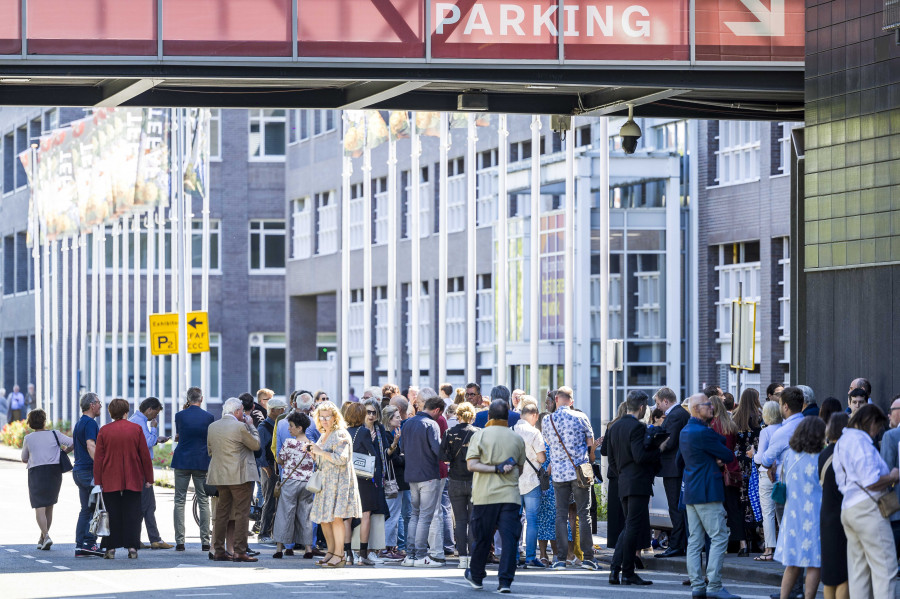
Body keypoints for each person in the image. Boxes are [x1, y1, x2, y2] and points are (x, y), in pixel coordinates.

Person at [833, 404, 900, 598]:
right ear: (870, 422)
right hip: (868, 510)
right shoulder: (860, 442)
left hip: (849, 508)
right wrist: (894, 476)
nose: (879, 431)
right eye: (878, 426)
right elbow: (871, 481)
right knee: (885, 568)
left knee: (859, 572)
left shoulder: (843, 441)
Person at [680, 393, 741, 599]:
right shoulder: (703, 432)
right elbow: (727, 453)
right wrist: (715, 458)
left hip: (691, 491)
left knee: (695, 541)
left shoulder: (686, 430)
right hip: (708, 490)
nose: (712, 408)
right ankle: (714, 586)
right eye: (708, 405)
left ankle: (698, 586)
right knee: (719, 537)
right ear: (697, 408)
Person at [463, 399, 526, 593]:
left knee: (482, 538)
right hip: (510, 496)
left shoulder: (480, 435)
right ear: (507, 417)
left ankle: (477, 576)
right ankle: (505, 582)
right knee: (509, 541)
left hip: (485, 496)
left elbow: (471, 465)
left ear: (488, 416)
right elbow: (521, 469)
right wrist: (503, 471)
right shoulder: (517, 439)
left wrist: (493, 469)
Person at [607, 390, 659, 584]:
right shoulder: (637, 427)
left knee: (629, 526)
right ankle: (623, 571)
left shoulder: (614, 426)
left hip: (623, 482)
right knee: (631, 528)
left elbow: (611, 459)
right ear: (642, 407)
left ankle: (619, 571)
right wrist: (658, 449)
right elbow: (640, 456)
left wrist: (622, 474)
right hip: (637, 483)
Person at [93, 398, 155, 560]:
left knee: (112, 513)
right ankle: (132, 547)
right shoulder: (136, 429)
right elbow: (144, 456)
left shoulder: (104, 431)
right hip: (133, 478)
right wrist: (149, 478)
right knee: (133, 513)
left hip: (110, 478)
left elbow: (99, 459)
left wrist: (98, 481)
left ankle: (110, 548)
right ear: (126, 412)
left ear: (111, 413)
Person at [543, 385, 595, 570]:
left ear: (556, 399)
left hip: (558, 473)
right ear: (571, 401)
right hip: (579, 473)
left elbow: (549, 443)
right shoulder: (581, 417)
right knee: (583, 514)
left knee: (561, 515)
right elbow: (590, 445)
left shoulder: (547, 420)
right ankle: (588, 558)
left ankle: (560, 559)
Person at [774, 416, 825, 599]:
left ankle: (783, 597)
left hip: (793, 514)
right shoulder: (821, 456)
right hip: (815, 513)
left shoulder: (790, 455)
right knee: (814, 562)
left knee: (792, 563)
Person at [307, 400, 361, 568]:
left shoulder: (340, 434)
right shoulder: (324, 434)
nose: (324, 420)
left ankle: (340, 554)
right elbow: (324, 457)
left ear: (335, 417)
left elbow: (342, 458)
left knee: (337, 519)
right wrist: (313, 453)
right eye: (321, 417)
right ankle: (330, 552)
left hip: (339, 481)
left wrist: (320, 451)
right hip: (326, 481)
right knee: (325, 519)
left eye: (327, 417)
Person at [207, 397, 262, 563]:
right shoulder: (240, 427)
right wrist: (251, 425)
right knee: (241, 513)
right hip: (239, 476)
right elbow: (256, 445)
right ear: (238, 411)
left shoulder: (212, 426)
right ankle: (239, 551)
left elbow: (210, 451)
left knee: (221, 514)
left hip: (219, 476)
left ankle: (218, 550)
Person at [399, 394, 444, 567]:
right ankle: (420, 556)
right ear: (437, 410)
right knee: (425, 516)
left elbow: (403, 449)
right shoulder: (431, 424)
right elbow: (437, 449)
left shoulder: (408, 423)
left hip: (411, 475)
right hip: (428, 475)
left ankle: (410, 555)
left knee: (414, 516)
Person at [346, 399, 391, 565]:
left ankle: (348, 554)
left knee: (348, 517)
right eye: (367, 412)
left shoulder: (345, 431)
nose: (370, 415)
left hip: (349, 476)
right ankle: (363, 554)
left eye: (373, 412)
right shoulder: (364, 432)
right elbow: (373, 455)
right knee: (365, 515)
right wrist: (371, 442)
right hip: (365, 478)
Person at [21, 409, 74, 551]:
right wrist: (63, 452)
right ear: (44, 421)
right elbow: (73, 442)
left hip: (36, 473)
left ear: (30, 423)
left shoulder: (29, 438)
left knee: (39, 506)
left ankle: (46, 535)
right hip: (54, 472)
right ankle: (42, 538)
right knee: (49, 506)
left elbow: (24, 458)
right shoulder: (54, 434)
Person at [172, 387, 214, 553]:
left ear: (188, 399)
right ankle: (205, 541)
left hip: (182, 460)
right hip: (201, 461)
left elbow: (179, 435)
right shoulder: (209, 417)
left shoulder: (179, 416)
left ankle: (180, 541)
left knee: (179, 500)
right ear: (201, 399)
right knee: (203, 500)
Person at [129, 397, 173, 550]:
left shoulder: (134, 419)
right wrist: (154, 428)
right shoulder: (140, 422)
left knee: (141, 506)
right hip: (141, 467)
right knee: (148, 505)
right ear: (148, 409)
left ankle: (135, 538)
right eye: (155, 413)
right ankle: (154, 539)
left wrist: (156, 439)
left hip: (136, 467)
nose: (155, 417)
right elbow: (146, 442)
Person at [759, 386, 806, 524]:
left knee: (786, 529)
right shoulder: (810, 425)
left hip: (787, 486)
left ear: (785, 406)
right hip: (808, 483)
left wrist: (770, 465)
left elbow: (766, 460)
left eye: (779, 404)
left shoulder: (782, 432)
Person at [272, 411, 316, 559]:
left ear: (299, 428)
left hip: (290, 482)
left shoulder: (289, 443)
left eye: (291, 426)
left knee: (285, 513)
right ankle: (308, 548)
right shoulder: (312, 445)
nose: (289, 429)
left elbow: (280, 459)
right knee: (305, 515)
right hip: (307, 483)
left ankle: (279, 548)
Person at [708, 393, 747, 556]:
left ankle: (722, 545)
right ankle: (743, 544)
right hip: (733, 468)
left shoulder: (713, 425)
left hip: (720, 470)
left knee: (719, 510)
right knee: (734, 508)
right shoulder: (730, 425)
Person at [653, 386, 690, 558]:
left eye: (659, 403)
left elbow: (669, 440)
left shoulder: (675, 415)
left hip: (673, 468)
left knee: (675, 508)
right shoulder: (680, 414)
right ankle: (679, 543)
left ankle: (677, 545)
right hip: (675, 467)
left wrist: (654, 448)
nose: (658, 407)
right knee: (677, 507)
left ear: (666, 401)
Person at [440, 401, 477, 568]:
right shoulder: (478, 433)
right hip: (474, 480)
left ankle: (462, 558)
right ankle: (473, 556)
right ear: (472, 415)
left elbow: (443, 456)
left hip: (455, 479)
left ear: (458, 415)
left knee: (460, 521)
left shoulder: (449, 432)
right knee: (474, 520)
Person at [819, 413, 849, 599]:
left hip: (826, 515)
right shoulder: (844, 453)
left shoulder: (824, 453)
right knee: (845, 574)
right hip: (842, 515)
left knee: (829, 575)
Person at [514, 400, 547, 568]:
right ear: (534, 415)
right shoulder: (534, 433)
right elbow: (541, 458)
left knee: (514, 520)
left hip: (513, 482)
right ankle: (530, 557)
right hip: (531, 481)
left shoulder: (511, 430)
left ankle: (513, 556)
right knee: (532, 520)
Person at [72, 392, 103, 557]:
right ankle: (90, 543)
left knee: (86, 509)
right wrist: (101, 465)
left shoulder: (79, 423)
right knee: (95, 509)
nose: (100, 406)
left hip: (79, 471)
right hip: (88, 471)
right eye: (99, 403)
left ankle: (80, 546)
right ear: (92, 405)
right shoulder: (90, 423)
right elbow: (91, 445)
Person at [732, 387, 762, 554]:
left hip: (739, 463)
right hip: (754, 462)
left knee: (741, 502)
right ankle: (758, 540)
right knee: (755, 500)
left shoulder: (736, 418)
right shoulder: (759, 417)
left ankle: (743, 543)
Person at [754, 400, 783, 562]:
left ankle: (769, 549)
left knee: (768, 513)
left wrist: (752, 454)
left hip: (766, 474)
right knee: (782, 513)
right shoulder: (785, 428)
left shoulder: (765, 432)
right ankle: (782, 547)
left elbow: (761, 457)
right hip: (782, 474)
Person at [256, 397, 287, 544]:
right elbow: (259, 451)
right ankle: (263, 533)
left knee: (277, 502)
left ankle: (273, 532)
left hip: (276, 468)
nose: (284, 411)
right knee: (269, 501)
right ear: (274, 410)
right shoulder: (264, 427)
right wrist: (266, 469)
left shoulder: (279, 425)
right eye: (281, 409)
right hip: (269, 468)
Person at [600, 403, 628, 550]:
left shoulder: (611, 425)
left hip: (613, 472)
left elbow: (603, 451)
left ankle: (613, 541)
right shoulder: (634, 426)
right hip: (628, 472)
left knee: (614, 508)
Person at [381, 405, 406, 560]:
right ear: (389, 419)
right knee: (393, 515)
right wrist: (404, 456)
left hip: (394, 479)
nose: (400, 419)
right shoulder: (388, 436)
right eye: (397, 417)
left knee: (394, 515)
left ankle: (390, 546)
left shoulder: (387, 435)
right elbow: (393, 459)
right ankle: (386, 547)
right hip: (393, 480)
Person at [881, 395, 900, 554]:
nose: (889, 415)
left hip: (895, 509)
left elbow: (885, 472)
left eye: (891, 410)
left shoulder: (891, 436)